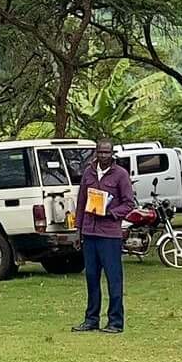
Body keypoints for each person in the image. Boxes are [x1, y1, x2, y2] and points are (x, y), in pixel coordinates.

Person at [71, 141, 135, 335]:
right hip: (90, 234)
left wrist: (111, 213)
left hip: (109, 235)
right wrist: (78, 230)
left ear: (112, 153)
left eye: (107, 152)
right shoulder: (88, 173)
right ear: (96, 153)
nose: (104, 155)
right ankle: (91, 319)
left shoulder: (120, 175)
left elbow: (129, 203)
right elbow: (81, 202)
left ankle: (115, 322)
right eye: (100, 152)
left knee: (114, 279)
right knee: (91, 277)